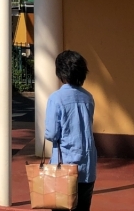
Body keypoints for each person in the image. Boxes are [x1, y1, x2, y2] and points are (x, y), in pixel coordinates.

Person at [45, 50, 97, 211]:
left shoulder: (56, 98)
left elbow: (52, 133)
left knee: (61, 207)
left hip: (64, 164)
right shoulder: (88, 97)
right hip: (87, 165)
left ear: (61, 73)